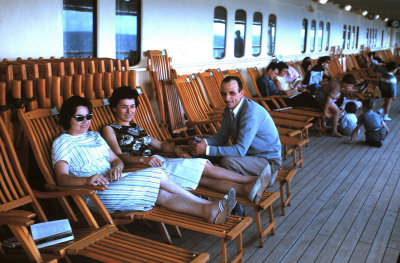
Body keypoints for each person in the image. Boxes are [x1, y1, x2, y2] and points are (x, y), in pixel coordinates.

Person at [52, 96, 236, 224]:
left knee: (161, 195)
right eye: (79, 118)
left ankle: (210, 212)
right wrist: (86, 180)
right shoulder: (62, 143)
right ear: (68, 118)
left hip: (114, 181)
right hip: (94, 192)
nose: (86, 121)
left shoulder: (94, 136)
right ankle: (207, 204)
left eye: (89, 116)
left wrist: (115, 167)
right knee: (157, 174)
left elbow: (117, 160)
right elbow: (62, 178)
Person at [101, 86, 267, 205]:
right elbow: (118, 157)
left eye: (132, 106)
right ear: (115, 108)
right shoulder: (109, 129)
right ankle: (253, 180)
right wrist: (143, 161)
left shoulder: (135, 127)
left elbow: (159, 144)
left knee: (204, 179)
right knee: (203, 166)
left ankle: (245, 190)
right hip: (142, 169)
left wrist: (176, 150)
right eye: (124, 107)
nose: (130, 111)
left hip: (157, 161)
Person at [190, 76, 282, 205]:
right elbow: (222, 136)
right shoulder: (229, 109)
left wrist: (208, 149)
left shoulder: (250, 113)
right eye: (224, 93)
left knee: (227, 161)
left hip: (268, 162)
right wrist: (204, 143)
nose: (227, 98)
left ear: (241, 93)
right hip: (248, 157)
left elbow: (239, 150)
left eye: (231, 93)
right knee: (208, 155)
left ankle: (253, 187)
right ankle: (235, 194)